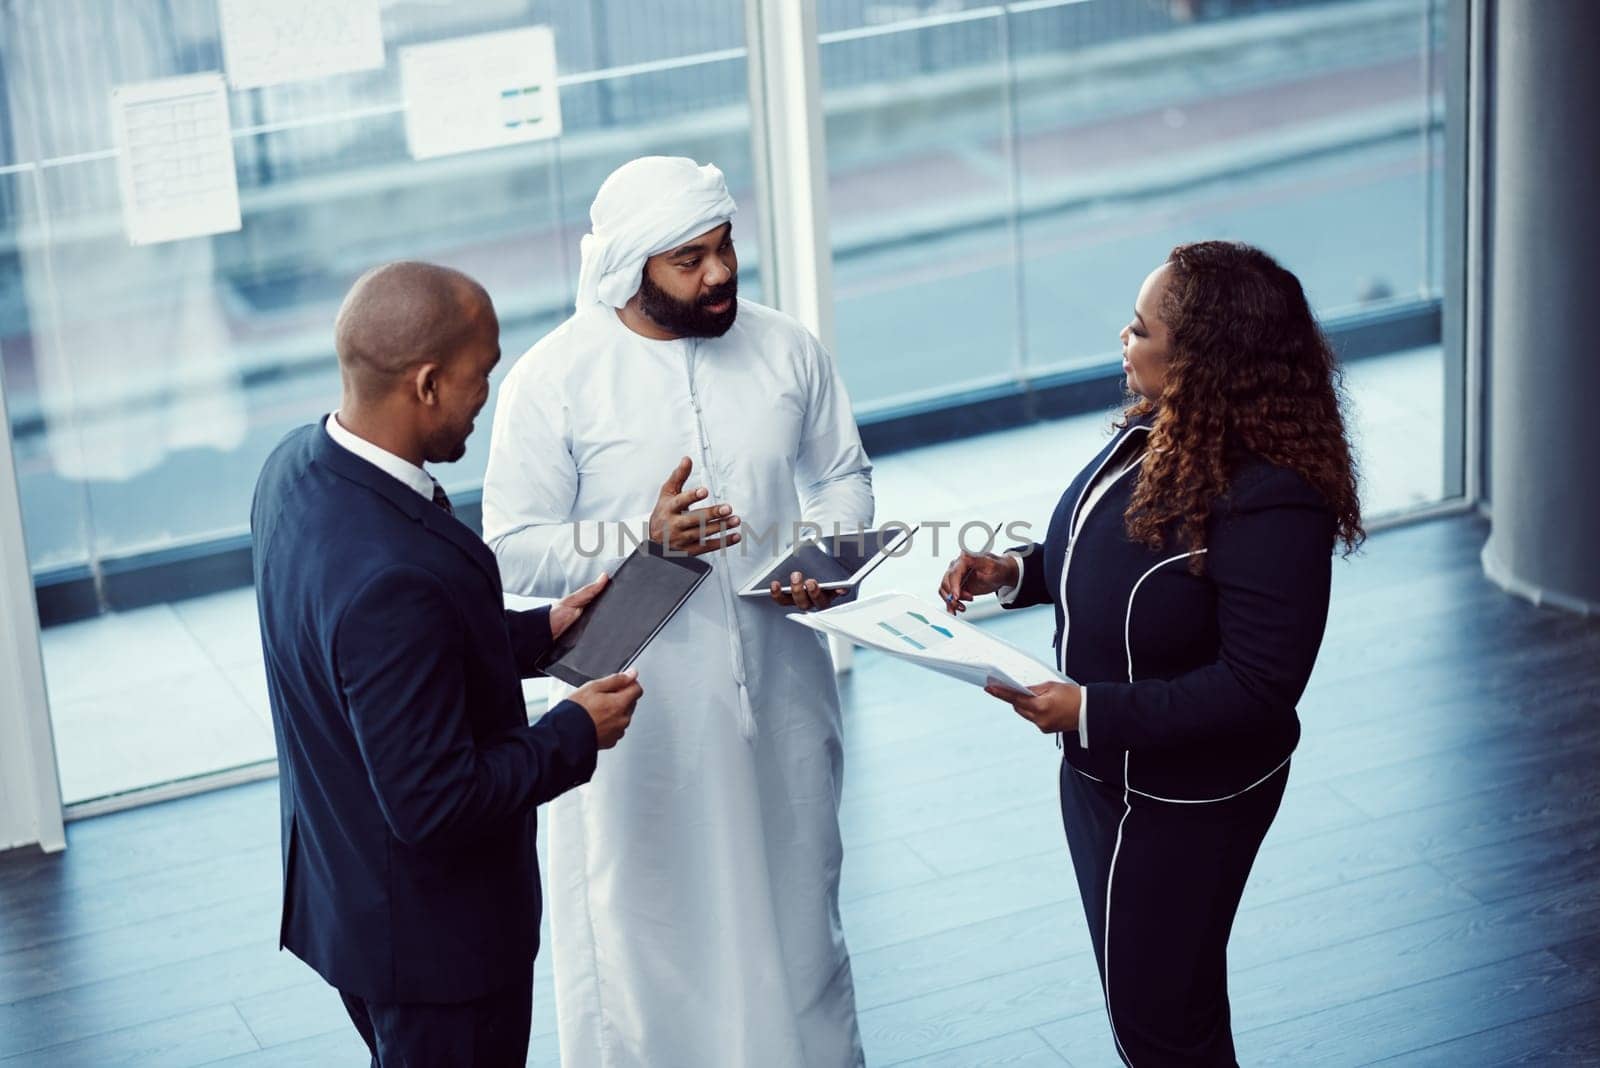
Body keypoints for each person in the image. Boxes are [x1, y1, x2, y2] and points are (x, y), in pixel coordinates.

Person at [481, 156, 873, 1067]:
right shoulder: (557, 378)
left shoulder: (785, 347)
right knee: (647, 929)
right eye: (689, 260)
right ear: (632, 268)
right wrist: (637, 536)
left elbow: (842, 477)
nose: (721, 273)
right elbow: (507, 546)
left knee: (798, 913)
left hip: (783, 685)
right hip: (632, 705)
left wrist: (832, 554)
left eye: (725, 245)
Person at [940, 241, 1364, 1066]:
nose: (1123, 341)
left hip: (1182, 801)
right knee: (1159, 1004)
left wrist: (1089, 709)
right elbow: (1101, 549)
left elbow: (1258, 687)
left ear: (1203, 355)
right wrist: (1015, 572)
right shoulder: (1164, 428)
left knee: (1161, 1024)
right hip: (1103, 777)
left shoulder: (1274, 497)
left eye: (1140, 329)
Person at [251, 261, 642, 1067]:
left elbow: (377, 659)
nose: (486, 397)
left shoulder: (296, 471)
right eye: (482, 376)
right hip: (439, 952)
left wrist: (543, 629)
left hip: (351, 902)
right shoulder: (394, 576)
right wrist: (575, 730)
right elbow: (435, 804)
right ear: (427, 384)